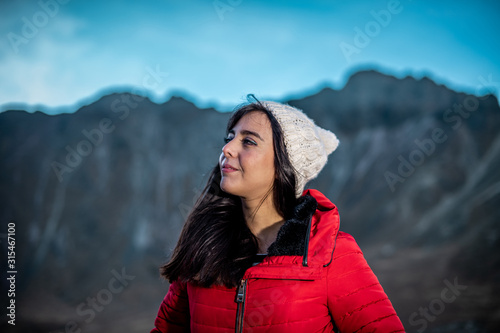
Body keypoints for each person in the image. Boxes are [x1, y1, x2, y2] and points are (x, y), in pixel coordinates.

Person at [151, 96, 405, 332]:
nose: (227, 149)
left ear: (283, 165)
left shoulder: (331, 253)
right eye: (229, 138)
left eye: (248, 141)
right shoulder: (203, 249)